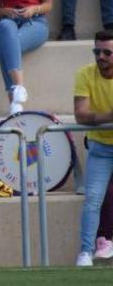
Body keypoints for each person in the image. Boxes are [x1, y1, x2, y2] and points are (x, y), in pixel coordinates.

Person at [73, 30, 113, 267]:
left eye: (107, 52)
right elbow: (80, 115)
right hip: (100, 147)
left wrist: (100, 118)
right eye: (97, 51)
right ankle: (86, 252)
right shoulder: (84, 74)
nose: (101, 57)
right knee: (93, 199)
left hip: (100, 141)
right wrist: (110, 117)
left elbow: (88, 115)